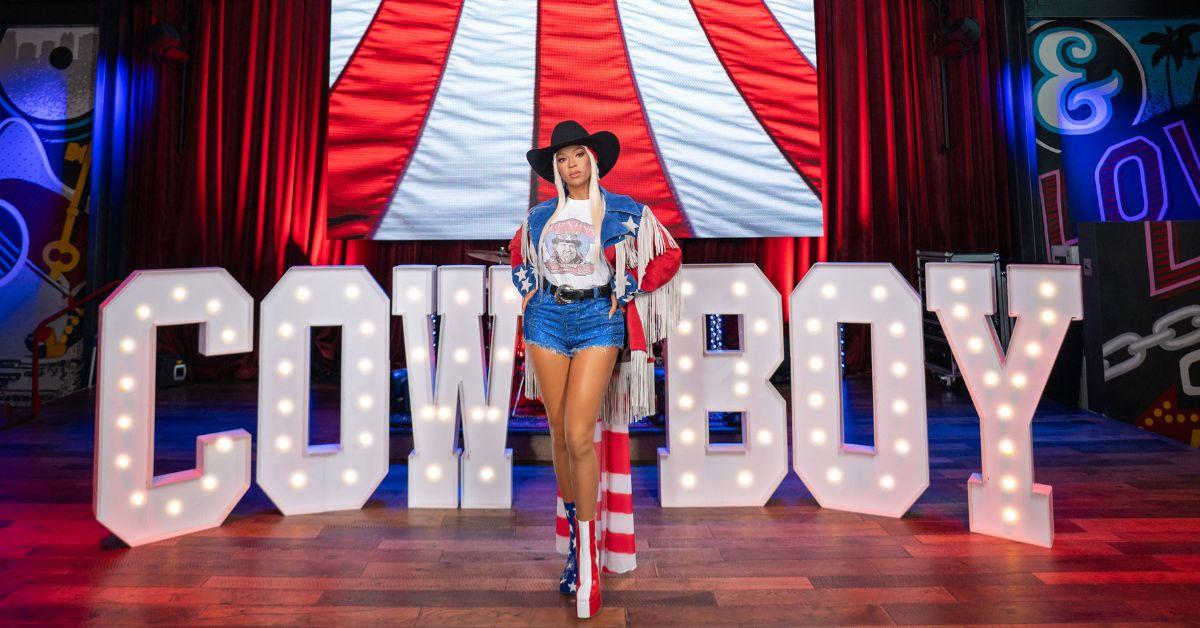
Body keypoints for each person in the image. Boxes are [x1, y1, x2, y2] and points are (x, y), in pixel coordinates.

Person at [509, 120, 681, 619]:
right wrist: (527, 285)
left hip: (597, 319)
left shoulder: (625, 210)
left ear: (593, 159)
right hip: (546, 318)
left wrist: (632, 284)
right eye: (562, 159)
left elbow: (669, 253)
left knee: (580, 433)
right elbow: (519, 254)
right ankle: (574, 547)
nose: (570, 165)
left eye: (577, 155)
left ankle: (589, 561)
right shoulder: (540, 216)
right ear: (555, 168)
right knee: (559, 433)